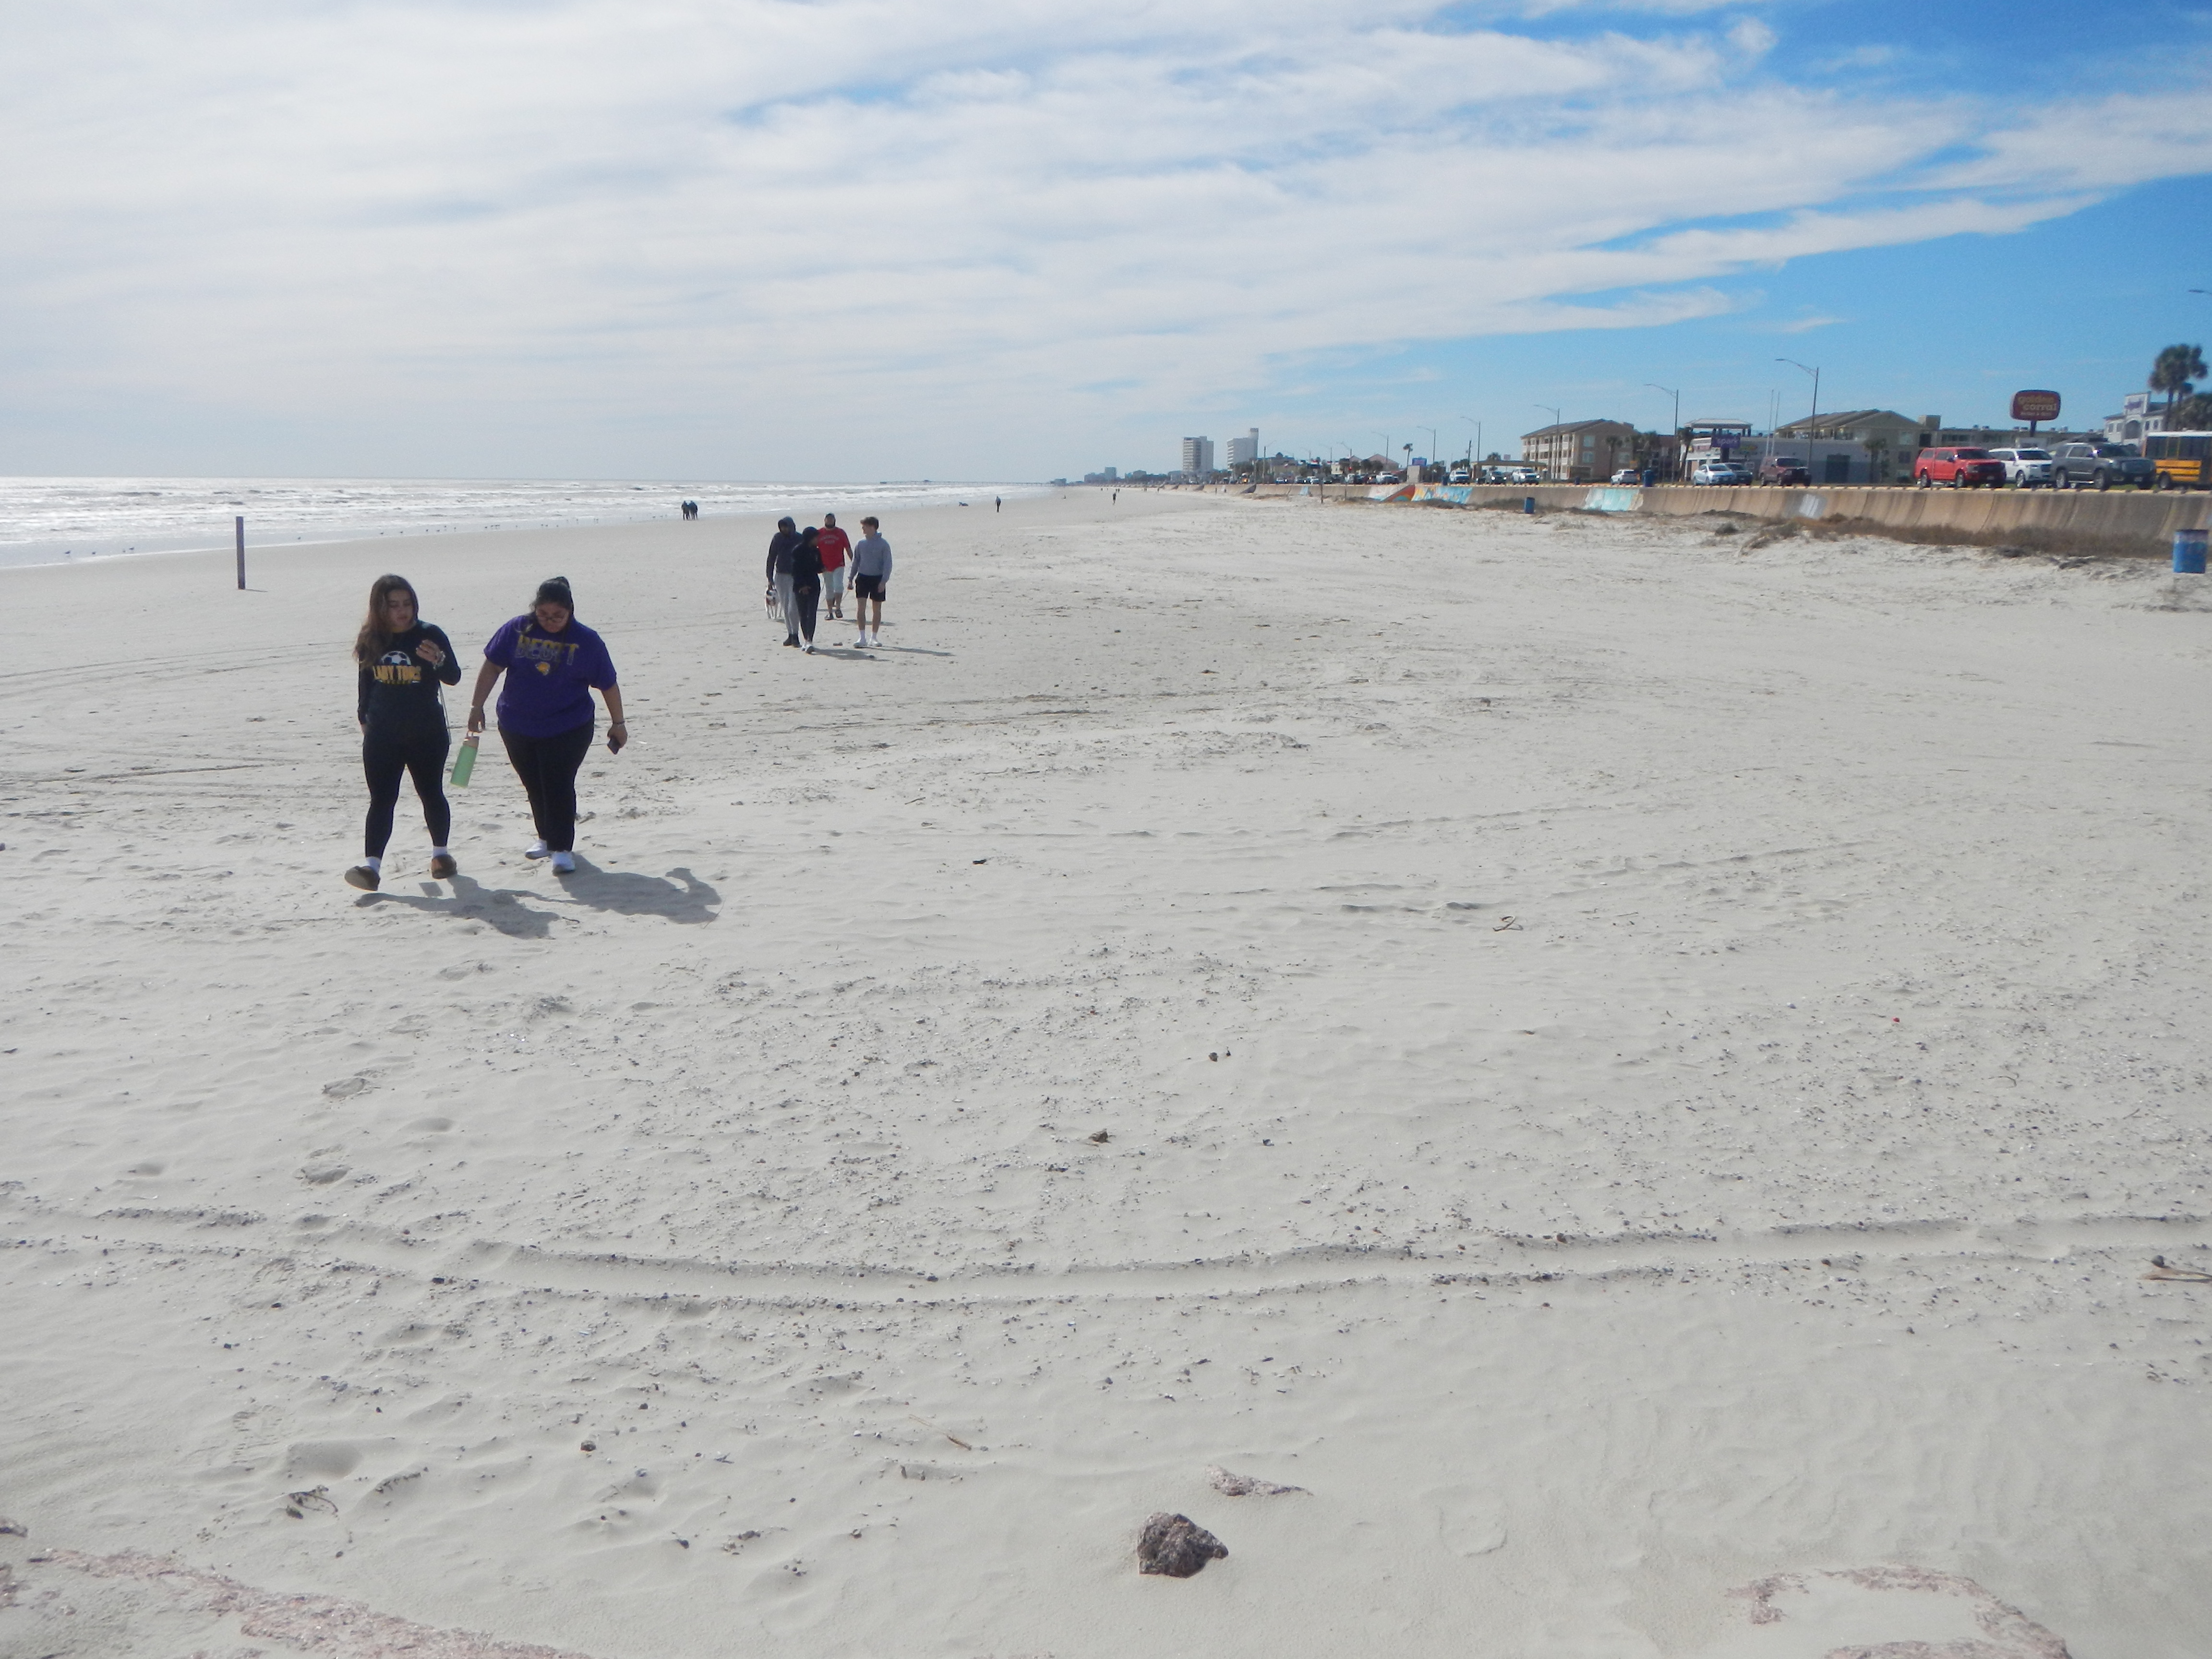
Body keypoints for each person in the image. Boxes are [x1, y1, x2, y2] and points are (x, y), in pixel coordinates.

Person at [465, 577, 626, 875]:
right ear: (534, 610)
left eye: (558, 616)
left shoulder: (587, 641)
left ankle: (562, 849)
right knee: (534, 783)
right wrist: (477, 707)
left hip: (569, 724)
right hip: (517, 722)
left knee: (558, 782)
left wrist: (619, 723)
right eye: (543, 615)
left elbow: (608, 684)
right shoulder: (516, 630)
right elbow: (492, 666)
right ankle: (545, 837)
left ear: (571, 612)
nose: (550, 622)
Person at [346, 574, 462, 891]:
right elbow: (366, 682)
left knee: (431, 793)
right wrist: (364, 717)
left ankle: (441, 855)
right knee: (382, 800)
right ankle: (371, 867)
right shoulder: (373, 638)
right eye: (393, 605)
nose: (402, 611)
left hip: (426, 732)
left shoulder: (429, 634)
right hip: (383, 734)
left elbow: (453, 676)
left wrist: (437, 659)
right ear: (380, 608)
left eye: (407, 604)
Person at [850, 515, 892, 647]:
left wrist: (884, 581)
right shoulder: (860, 544)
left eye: (865, 526)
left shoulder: (884, 544)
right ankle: (862, 637)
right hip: (862, 578)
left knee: (876, 609)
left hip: (878, 579)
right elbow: (855, 561)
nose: (863, 529)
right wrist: (851, 578)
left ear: (872, 527)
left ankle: (874, 637)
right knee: (861, 607)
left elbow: (888, 564)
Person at [766, 517, 804, 646]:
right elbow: (771, 557)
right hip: (781, 576)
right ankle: (791, 635)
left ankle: (796, 635)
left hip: (796, 576)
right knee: (785, 607)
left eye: (786, 526)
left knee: (793, 608)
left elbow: (806, 558)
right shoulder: (778, 538)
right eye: (782, 527)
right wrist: (770, 577)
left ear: (792, 526)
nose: (784, 529)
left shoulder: (800, 538)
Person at [788, 526, 825, 652]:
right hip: (800, 586)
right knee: (803, 613)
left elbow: (818, 567)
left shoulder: (816, 551)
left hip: (814, 584)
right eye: (816, 537)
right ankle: (806, 640)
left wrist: (823, 568)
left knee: (812, 612)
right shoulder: (797, 551)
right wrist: (802, 585)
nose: (818, 540)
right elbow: (795, 571)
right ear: (810, 538)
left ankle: (810, 640)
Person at [817, 512, 852, 621]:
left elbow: (848, 548)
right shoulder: (819, 533)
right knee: (829, 589)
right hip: (825, 566)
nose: (830, 521)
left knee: (839, 586)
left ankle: (838, 608)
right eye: (828, 519)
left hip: (839, 564)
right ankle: (830, 612)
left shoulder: (841, 533)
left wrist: (854, 562)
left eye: (832, 519)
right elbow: (813, 549)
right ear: (825, 520)